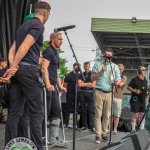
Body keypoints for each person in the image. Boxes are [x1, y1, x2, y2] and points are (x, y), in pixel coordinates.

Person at [3, 2, 51, 150]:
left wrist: (13, 67)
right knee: (37, 112)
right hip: (29, 71)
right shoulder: (38, 25)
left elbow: (12, 50)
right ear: (45, 13)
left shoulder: (22, 27)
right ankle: (38, 147)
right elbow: (24, 47)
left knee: (15, 112)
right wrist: (13, 68)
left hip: (19, 73)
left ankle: (9, 146)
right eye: (49, 14)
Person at [41, 32, 67, 147]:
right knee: (45, 112)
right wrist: (47, 84)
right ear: (52, 40)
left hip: (54, 86)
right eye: (60, 39)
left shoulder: (55, 52)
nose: (61, 41)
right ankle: (42, 138)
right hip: (47, 85)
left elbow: (56, 73)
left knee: (56, 111)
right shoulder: (48, 51)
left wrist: (60, 86)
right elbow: (44, 67)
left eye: (62, 39)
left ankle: (53, 139)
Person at [91, 48, 121, 144]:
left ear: (111, 56)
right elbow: (92, 77)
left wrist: (116, 82)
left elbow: (118, 79)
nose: (107, 56)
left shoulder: (114, 67)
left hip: (109, 92)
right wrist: (101, 72)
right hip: (99, 91)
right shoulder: (98, 64)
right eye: (106, 54)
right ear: (104, 55)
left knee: (106, 115)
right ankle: (98, 135)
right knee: (98, 114)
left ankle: (104, 134)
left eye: (109, 55)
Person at [127, 66, 148, 133]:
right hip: (135, 99)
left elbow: (145, 90)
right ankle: (133, 129)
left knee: (142, 114)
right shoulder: (134, 79)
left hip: (142, 99)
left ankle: (141, 129)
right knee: (135, 114)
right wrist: (135, 91)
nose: (145, 71)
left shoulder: (145, 80)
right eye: (144, 70)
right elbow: (128, 87)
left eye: (145, 70)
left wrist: (147, 94)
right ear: (140, 71)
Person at [78, 61, 96, 132]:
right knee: (83, 109)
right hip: (82, 93)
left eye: (87, 66)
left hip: (90, 93)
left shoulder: (93, 74)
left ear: (89, 66)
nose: (86, 68)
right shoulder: (81, 74)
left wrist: (84, 83)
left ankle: (92, 126)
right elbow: (79, 84)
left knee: (91, 110)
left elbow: (93, 85)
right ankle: (84, 126)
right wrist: (88, 83)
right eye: (85, 66)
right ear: (83, 67)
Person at [63, 63, 80, 128]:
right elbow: (65, 85)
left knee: (76, 109)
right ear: (73, 67)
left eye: (78, 67)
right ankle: (66, 123)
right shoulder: (68, 75)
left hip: (77, 94)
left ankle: (75, 124)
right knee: (68, 109)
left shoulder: (80, 75)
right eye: (76, 66)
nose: (77, 68)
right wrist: (65, 90)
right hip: (70, 94)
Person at [112, 64, 127, 135]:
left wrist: (115, 82)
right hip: (110, 95)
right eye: (118, 69)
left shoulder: (124, 77)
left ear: (123, 70)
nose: (119, 70)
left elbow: (121, 84)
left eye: (120, 69)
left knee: (117, 114)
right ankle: (108, 129)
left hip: (118, 97)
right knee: (109, 114)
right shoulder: (112, 75)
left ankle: (115, 129)